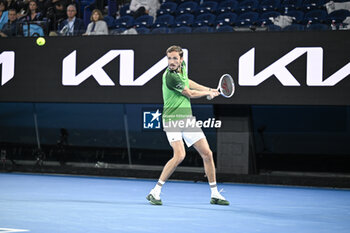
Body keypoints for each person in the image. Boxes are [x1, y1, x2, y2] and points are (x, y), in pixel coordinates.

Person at [146, 45, 230, 206]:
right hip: (172, 119)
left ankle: (215, 194)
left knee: (207, 153)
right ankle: (155, 192)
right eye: (169, 58)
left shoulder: (182, 68)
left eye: (175, 58)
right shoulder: (170, 76)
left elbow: (188, 82)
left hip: (187, 119)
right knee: (179, 155)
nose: (171, 61)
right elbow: (189, 92)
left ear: (181, 59)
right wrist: (208, 93)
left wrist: (210, 89)